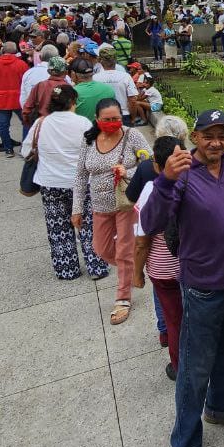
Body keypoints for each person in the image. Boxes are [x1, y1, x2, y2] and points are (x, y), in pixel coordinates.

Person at [140, 109, 224, 447]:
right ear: (195, 135)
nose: (216, 142)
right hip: (203, 287)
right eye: (209, 135)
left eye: (223, 135)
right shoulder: (182, 173)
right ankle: (187, 446)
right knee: (194, 369)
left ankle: (221, 408)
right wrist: (165, 181)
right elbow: (152, 221)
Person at [73, 97, 150, 323]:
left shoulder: (131, 136)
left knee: (124, 251)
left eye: (116, 118)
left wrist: (127, 171)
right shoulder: (89, 140)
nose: (112, 122)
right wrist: (77, 207)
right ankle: (133, 262)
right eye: (106, 119)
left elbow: (150, 163)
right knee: (102, 248)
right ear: (97, 120)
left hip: (126, 203)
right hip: (99, 206)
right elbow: (80, 175)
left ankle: (123, 298)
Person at [23, 83, 110, 280]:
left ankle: (66, 269)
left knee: (58, 228)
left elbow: (25, 151)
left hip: (50, 183)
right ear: (73, 102)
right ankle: (96, 267)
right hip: (82, 184)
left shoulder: (40, 124)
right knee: (89, 225)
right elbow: (96, 152)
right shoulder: (83, 123)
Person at [135, 136, 184, 379]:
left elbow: (142, 241)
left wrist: (136, 274)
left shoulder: (151, 191)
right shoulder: (192, 185)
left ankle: (178, 365)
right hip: (191, 267)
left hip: (163, 270)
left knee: (174, 319)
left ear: (156, 164)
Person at [0, 41, 28, 157]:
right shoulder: (22, 64)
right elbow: (26, 81)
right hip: (17, 97)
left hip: (0, 98)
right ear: (15, 51)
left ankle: (8, 149)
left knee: (3, 125)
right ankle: (25, 148)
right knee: (26, 122)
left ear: (3, 50)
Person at [93, 46, 140, 125]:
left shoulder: (95, 78)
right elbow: (133, 100)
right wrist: (133, 118)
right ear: (115, 60)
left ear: (100, 61)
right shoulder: (126, 76)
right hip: (123, 115)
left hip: (104, 117)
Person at [68, 58, 114, 123]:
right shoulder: (108, 89)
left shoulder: (71, 93)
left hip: (82, 131)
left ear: (73, 74)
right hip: (103, 131)